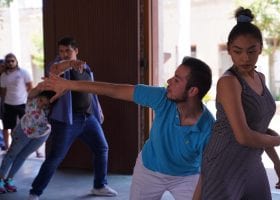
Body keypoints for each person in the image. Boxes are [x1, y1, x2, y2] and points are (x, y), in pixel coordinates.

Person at [43, 56, 215, 200]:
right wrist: (69, 85)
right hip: (149, 169)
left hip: (186, 176)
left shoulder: (208, 128)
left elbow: (206, 173)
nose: (169, 81)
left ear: (192, 91)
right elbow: (114, 90)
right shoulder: (163, 97)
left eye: (177, 80)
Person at [192, 7, 280, 200]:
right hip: (224, 161)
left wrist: (278, 165)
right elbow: (244, 136)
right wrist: (277, 141)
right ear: (229, 50)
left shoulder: (260, 78)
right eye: (238, 51)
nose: (245, 58)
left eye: (252, 51)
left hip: (252, 159)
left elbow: (258, 129)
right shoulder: (229, 82)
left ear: (261, 48)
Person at [27, 37, 117, 200]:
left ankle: (99, 186)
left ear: (76, 50)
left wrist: (99, 110)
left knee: (101, 148)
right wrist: (70, 63)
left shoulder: (86, 67)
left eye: (67, 50)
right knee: (56, 157)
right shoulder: (58, 66)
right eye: (61, 51)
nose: (63, 54)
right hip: (68, 120)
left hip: (88, 118)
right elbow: (55, 70)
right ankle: (35, 192)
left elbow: (92, 89)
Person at [0, 82, 55, 194]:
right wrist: (41, 87)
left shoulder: (54, 106)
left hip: (41, 136)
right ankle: (0, 180)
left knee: (23, 156)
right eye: (41, 101)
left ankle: (9, 180)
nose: (41, 105)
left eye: (45, 105)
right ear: (38, 97)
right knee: (12, 154)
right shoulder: (32, 98)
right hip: (24, 131)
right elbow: (33, 91)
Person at [0, 53, 33, 151]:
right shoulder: (4, 76)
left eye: (12, 61)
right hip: (8, 104)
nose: (10, 63)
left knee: (26, 126)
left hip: (22, 104)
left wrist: (30, 101)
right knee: (8, 126)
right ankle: (7, 147)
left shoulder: (23, 72)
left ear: (16, 61)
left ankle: (29, 148)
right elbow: (3, 92)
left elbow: (30, 87)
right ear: (5, 63)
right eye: (8, 61)